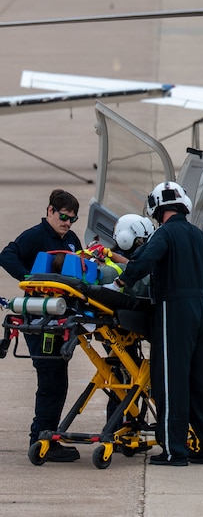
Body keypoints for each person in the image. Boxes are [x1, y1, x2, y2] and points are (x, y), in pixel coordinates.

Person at [114, 182, 203, 467]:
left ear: (156, 209)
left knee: (170, 381)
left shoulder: (165, 234)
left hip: (174, 310)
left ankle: (174, 451)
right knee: (201, 382)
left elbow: (143, 261)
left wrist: (123, 279)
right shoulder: (199, 235)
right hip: (201, 308)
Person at [0, 189, 84, 462]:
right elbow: (7, 255)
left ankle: (45, 436)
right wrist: (29, 278)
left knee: (57, 379)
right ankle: (41, 439)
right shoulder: (35, 236)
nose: (67, 223)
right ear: (50, 211)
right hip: (41, 321)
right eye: (63, 217)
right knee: (51, 380)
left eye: (72, 218)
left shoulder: (71, 240)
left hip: (63, 319)